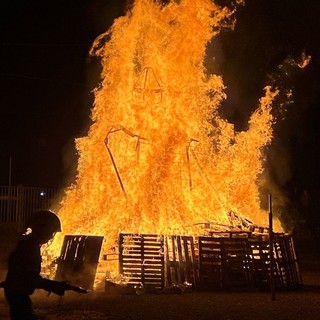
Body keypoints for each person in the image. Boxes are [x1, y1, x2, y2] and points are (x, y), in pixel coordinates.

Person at [2, 210, 78, 320]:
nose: (51, 236)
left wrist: (54, 285)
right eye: (50, 232)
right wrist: (53, 285)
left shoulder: (28, 244)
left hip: (16, 292)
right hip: (18, 293)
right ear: (42, 229)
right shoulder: (29, 247)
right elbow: (30, 278)